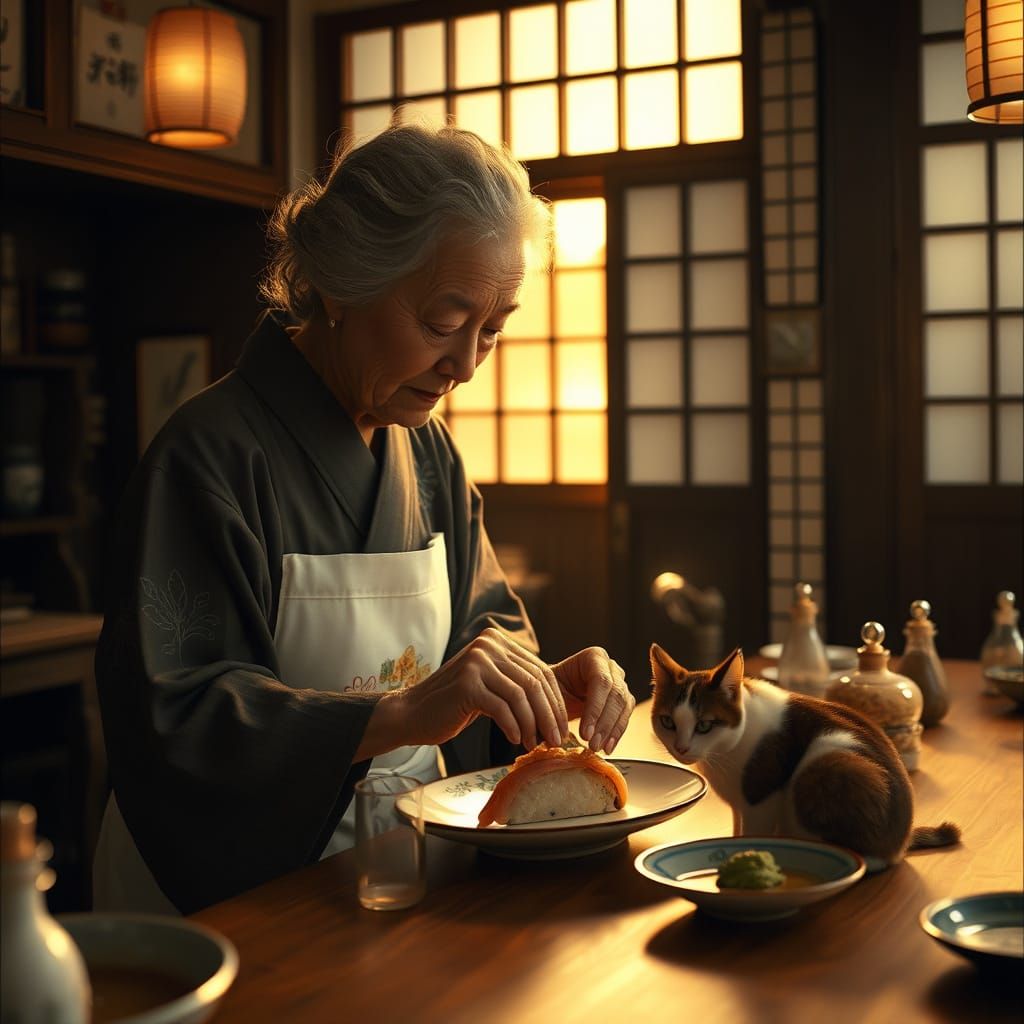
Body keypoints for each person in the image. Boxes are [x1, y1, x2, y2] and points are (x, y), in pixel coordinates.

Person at [92, 123, 636, 915]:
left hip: (399, 864)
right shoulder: (208, 456)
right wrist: (401, 714)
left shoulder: (430, 456)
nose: (464, 366)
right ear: (343, 282)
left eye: (493, 329)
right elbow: (178, 715)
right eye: (444, 322)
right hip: (235, 896)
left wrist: (536, 689)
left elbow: (485, 634)